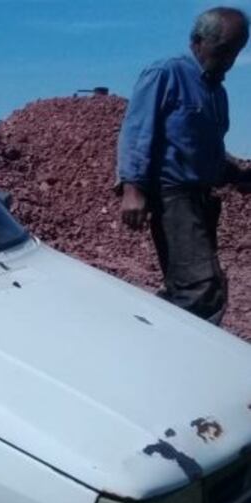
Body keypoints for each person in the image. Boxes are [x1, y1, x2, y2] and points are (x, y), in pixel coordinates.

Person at [117, 7, 251, 325]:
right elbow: (137, 130)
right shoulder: (166, 74)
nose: (229, 61)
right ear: (198, 41)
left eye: (235, 53)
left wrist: (237, 175)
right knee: (201, 287)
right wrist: (132, 189)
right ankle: (175, 343)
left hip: (201, 200)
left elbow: (203, 151)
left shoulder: (216, 93)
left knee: (191, 285)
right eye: (223, 51)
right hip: (173, 197)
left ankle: (160, 334)